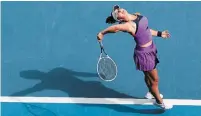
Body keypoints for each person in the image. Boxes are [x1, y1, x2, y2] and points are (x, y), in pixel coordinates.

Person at [97, 5, 173, 110]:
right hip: (144, 55)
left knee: (148, 76)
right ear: (119, 19)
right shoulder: (128, 26)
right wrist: (102, 33)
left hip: (150, 49)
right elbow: (115, 28)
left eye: (119, 9)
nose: (120, 10)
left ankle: (151, 93)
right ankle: (159, 102)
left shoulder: (136, 15)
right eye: (117, 13)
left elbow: (145, 29)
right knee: (155, 80)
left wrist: (160, 34)